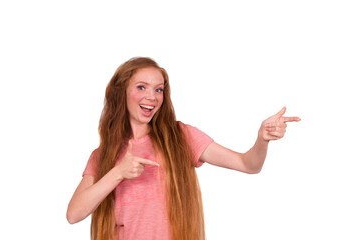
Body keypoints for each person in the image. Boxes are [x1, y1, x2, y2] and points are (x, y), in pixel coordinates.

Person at [66, 57, 301, 240]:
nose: (152, 97)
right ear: (121, 92)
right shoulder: (102, 155)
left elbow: (248, 165)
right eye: (141, 87)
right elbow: (73, 214)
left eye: (158, 90)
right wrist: (118, 172)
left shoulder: (181, 137)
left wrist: (262, 139)